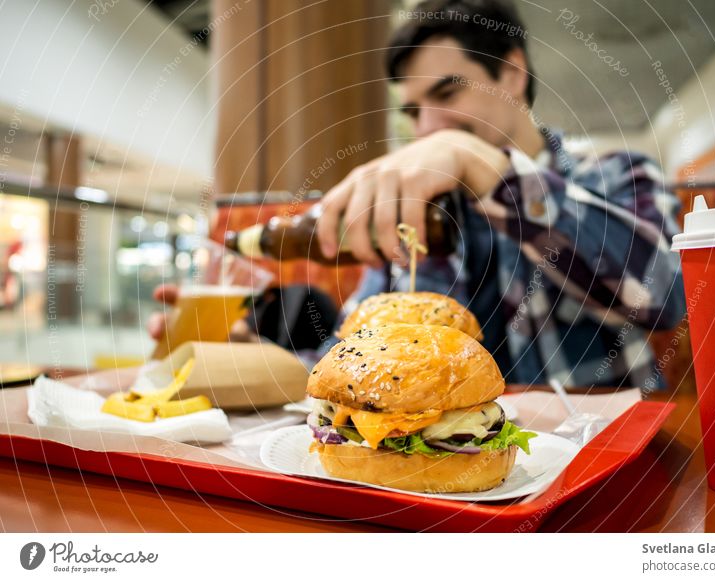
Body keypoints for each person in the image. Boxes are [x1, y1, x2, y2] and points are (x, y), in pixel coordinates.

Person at [150, 0, 685, 389]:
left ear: (513, 72)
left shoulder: (616, 175)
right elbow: (364, 358)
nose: (428, 127)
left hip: (608, 471)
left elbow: (663, 295)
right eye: (412, 112)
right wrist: (252, 362)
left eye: (447, 92)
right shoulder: (416, 214)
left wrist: (484, 167)